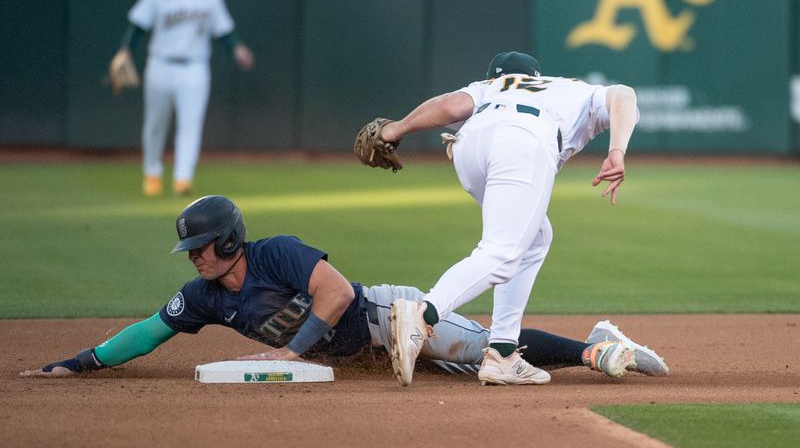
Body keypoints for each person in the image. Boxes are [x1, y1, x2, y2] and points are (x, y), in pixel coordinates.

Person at [20, 196, 667, 382]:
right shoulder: (206, 299)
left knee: (482, 355)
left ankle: (594, 349)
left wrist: (292, 353)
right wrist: (79, 363)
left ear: (226, 242)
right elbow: (149, 330)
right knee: (460, 374)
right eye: (189, 251)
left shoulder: (276, 253)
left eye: (198, 248)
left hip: (389, 317)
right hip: (355, 352)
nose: (192, 260)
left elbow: (333, 296)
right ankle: (586, 348)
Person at [363, 51, 641, 386]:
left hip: (469, 146)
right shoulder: (568, 88)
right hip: (523, 139)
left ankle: (502, 353)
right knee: (502, 251)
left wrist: (396, 128)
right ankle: (422, 315)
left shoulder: (488, 87)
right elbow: (624, 94)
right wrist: (617, 151)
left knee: (535, 238)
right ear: (537, 75)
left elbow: (450, 107)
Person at [111, 0, 255, 197]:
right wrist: (125, 50)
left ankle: (183, 178)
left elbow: (224, 31)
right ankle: (152, 174)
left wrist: (237, 48)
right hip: (161, 64)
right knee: (156, 123)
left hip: (195, 66)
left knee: (191, 124)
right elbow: (138, 26)